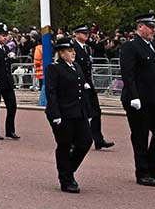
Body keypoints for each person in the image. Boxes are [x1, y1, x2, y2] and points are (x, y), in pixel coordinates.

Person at [120, 13, 155, 187]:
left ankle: (151, 166)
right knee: (140, 136)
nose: (153, 30)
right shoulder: (130, 46)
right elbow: (128, 74)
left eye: (154, 27)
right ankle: (142, 172)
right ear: (140, 26)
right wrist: (134, 96)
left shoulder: (153, 46)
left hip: (154, 98)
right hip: (138, 99)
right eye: (150, 27)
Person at [45, 37, 93, 193]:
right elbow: (51, 92)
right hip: (63, 113)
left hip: (79, 112)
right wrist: (55, 114)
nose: (73, 53)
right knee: (64, 145)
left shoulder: (76, 66)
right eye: (69, 51)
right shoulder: (54, 68)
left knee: (85, 141)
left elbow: (82, 91)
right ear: (61, 53)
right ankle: (65, 180)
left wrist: (88, 111)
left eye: (74, 51)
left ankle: (68, 170)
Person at [73, 24, 114, 150]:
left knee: (96, 111)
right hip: (78, 84)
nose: (86, 35)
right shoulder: (72, 48)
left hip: (88, 84)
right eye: (83, 33)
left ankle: (98, 139)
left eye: (87, 33)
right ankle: (74, 140)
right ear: (76, 34)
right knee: (79, 113)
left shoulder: (87, 48)